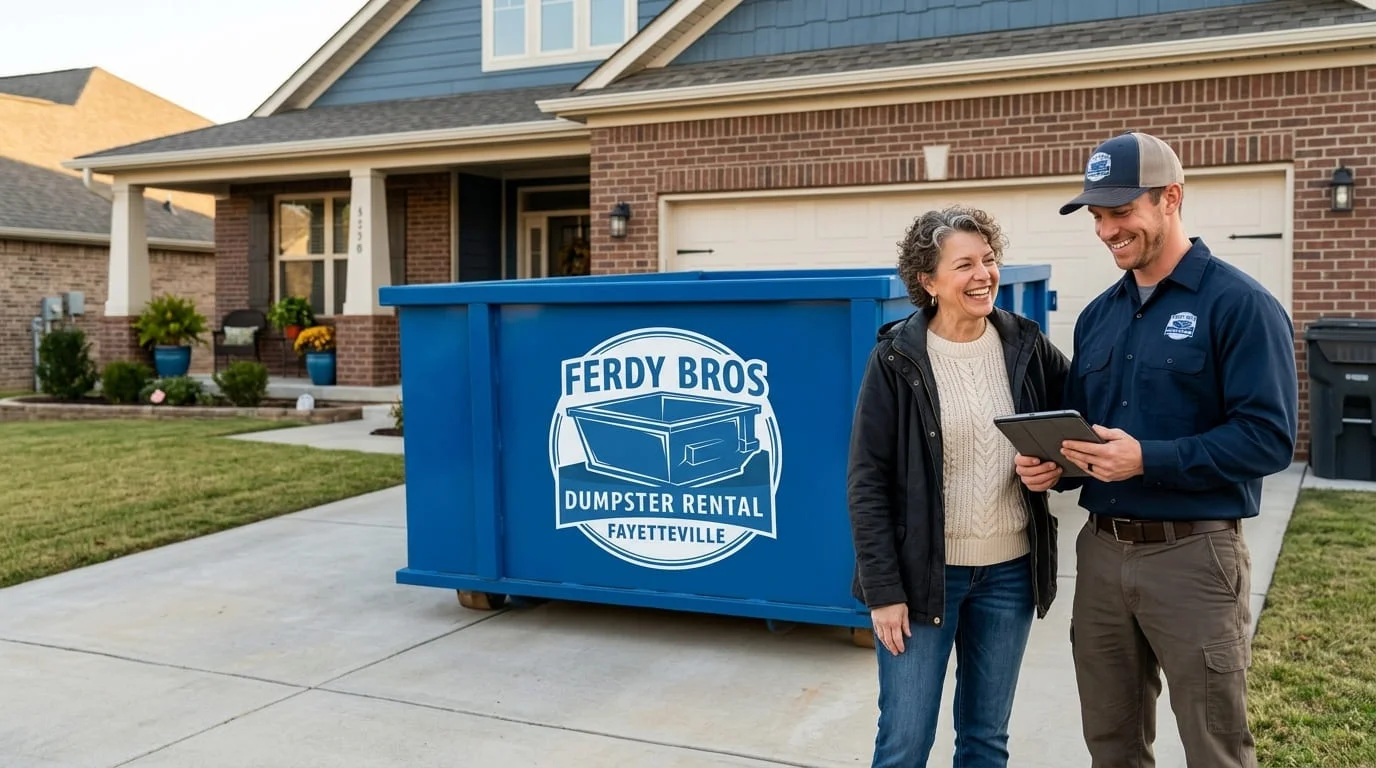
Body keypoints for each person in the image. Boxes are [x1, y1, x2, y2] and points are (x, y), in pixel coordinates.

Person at [1015, 131, 1298, 768]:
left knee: (1214, 746)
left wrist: (1149, 458)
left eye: (1121, 212)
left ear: (1170, 199)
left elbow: (1269, 437)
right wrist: (1051, 467)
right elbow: (1083, 432)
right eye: (1096, 216)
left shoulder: (1241, 306)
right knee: (1111, 743)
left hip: (1196, 557)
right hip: (1103, 555)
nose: (1106, 230)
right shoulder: (1097, 317)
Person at [847, 205, 1071, 767]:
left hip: (1010, 575)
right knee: (904, 743)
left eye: (989, 260)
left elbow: (1075, 428)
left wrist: (1057, 469)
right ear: (928, 281)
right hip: (924, 580)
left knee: (985, 740)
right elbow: (866, 481)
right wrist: (884, 591)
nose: (983, 275)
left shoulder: (1026, 345)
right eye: (964, 264)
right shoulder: (896, 360)